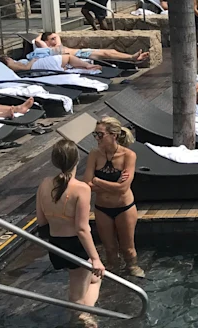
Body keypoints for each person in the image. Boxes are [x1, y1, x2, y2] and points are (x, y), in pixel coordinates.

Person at [36, 139, 105, 327]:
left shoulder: (44, 184)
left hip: (55, 244)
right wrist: (95, 258)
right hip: (75, 245)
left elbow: (41, 221)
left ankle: (85, 314)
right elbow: (82, 228)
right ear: (77, 160)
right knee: (77, 295)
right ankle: (83, 319)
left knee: (94, 279)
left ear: (54, 161)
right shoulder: (81, 189)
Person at [82, 117, 143, 278]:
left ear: (113, 135)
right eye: (95, 134)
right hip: (103, 208)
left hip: (124, 208)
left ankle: (133, 267)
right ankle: (113, 273)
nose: (97, 138)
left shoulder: (128, 155)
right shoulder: (94, 154)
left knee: (128, 248)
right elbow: (86, 183)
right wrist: (113, 185)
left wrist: (97, 181)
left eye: (100, 135)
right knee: (109, 248)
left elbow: (123, 189)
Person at [35, 32, 149, 65]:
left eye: (55, 38)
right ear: (46, 42)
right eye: (52, 39)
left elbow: (56, 35)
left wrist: (50, 35)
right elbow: (37, 40)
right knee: (106, 54)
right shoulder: (47, 48)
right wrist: (41, 36)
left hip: (82, 52)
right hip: (79, 56)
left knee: (111, 51)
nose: (55, 40)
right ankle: (132, 58)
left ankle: (132, 57)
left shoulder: (58, 45)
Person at [0, 53, 102, 73]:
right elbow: (26, 68)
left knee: (67, 63)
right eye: (8, 58)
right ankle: (88, 66)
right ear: (6, 60)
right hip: (37, 65)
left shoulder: (12, 64)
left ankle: (87, 68)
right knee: (68, 57)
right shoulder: (10, 65)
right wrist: (32, 60)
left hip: (38, 65)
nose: (10, 58)